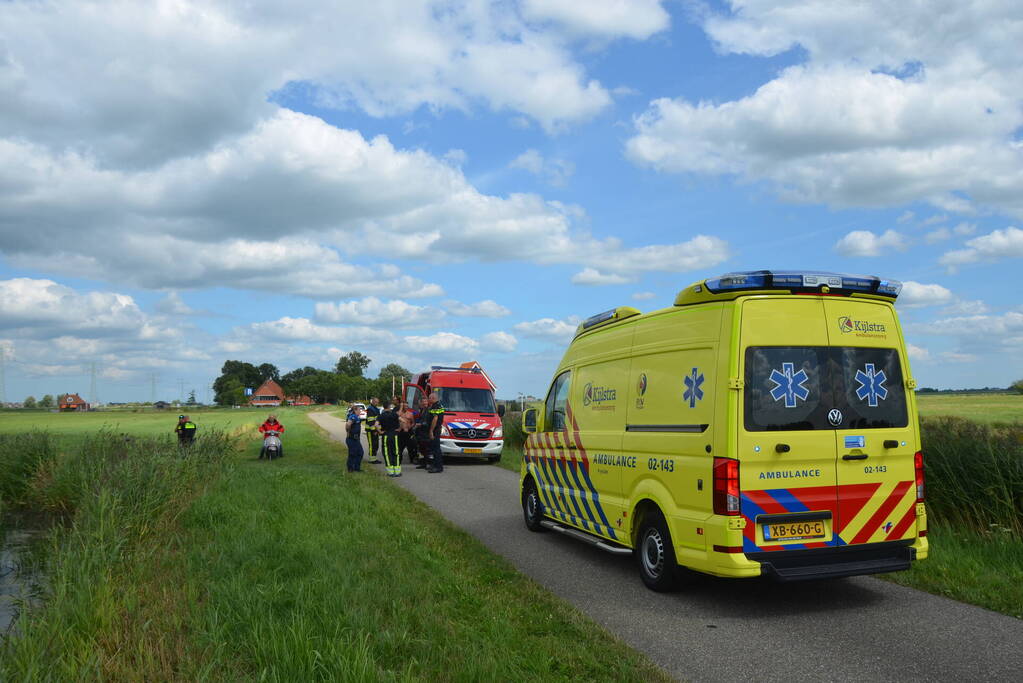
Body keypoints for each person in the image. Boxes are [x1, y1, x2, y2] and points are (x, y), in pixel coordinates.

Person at [378, 401, 401, 477]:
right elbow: (403, 421)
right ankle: (397, 471)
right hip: (394, 435)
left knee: (387, 453)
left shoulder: (381, 415)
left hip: (386, 435)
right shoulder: (395, 414)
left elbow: (375, 424)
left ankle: (390, 472)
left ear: (384, 407)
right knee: (396, 452)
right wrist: (399, 428)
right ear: (389, 407)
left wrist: (380, 431)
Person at [425, 392, 446, 473]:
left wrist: (431, 431)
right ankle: (435, 465)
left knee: (436, 449)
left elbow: (435, 419)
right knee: (435, 449)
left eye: (429, 398)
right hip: (437, 429)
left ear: (433, 398)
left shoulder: (436, 406)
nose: (428, 399)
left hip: (435, 430)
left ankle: (438, 467)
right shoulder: (439, 405)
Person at [345, 404, 365, 472]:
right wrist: (348, 432)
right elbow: (348, 424)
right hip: (351, 439)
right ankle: (350, 468)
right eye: (359, 410)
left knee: (360, 453)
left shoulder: (357, 417)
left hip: (356, 439)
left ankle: (357, 468)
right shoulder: (353, 416)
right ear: (355, 410)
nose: (360, 411)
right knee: (352, 454)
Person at [414, 396, 432, 469]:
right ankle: (423, 463)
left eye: (426, 401)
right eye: (423, 402)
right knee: (421, 449)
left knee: (427, 449)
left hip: (426, 432)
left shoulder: (429, 410)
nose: (424, 403)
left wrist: (421, 424)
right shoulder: (421, 410)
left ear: (428, 402)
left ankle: (428, 464)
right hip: (421, 432)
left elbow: (429, 422)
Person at [365, 397, 382, 464]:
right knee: (372, 444)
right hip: (370, 431)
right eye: (376, 402)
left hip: (375, 430)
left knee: (375, 444)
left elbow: (378, 420)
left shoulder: (376, 409)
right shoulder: (370, 409)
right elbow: (371, 421)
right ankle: (372, 459)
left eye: (378, 402)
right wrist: (374, 431)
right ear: (372, 402)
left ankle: (374, 458)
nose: (377, 403)